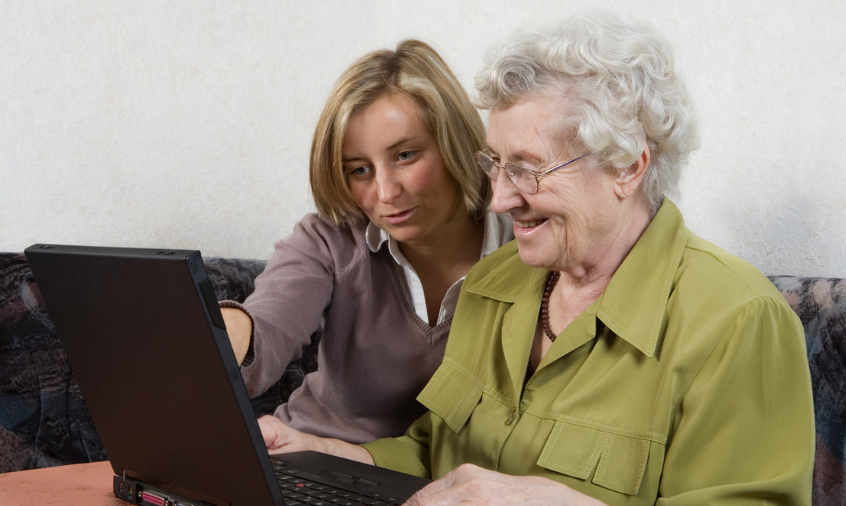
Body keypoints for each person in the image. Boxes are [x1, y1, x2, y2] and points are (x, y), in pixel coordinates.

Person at [257, 12, 816, 506]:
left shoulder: (739, 321)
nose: (499, 197)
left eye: (528, 168)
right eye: (496, 164)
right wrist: (326, 452)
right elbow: (432, 453)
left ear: (627, 166)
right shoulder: (491, 283)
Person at [220, 40, 513, 444]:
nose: (386, 192)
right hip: (305, 456)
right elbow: (269, 327)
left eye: (406, 155)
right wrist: (222, 333)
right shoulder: (328, 240)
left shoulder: (527, 245)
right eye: (360, 170)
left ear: (454, 143)